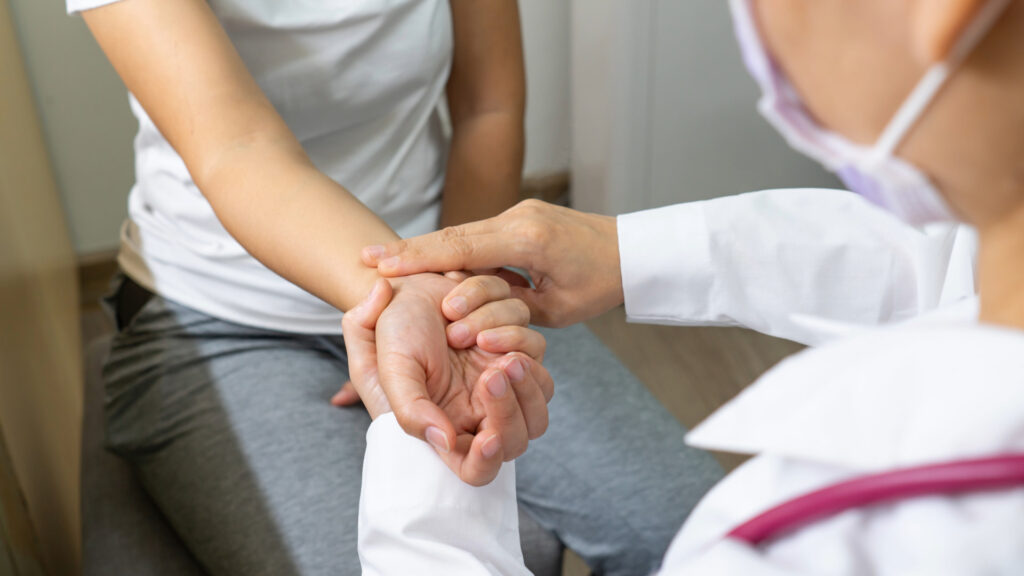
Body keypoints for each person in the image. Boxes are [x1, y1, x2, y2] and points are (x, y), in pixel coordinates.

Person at [348, 0, 1024, 572]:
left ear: (944, 14)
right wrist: (628, 252)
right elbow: (943, 271)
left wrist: (428, 466)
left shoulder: (826, 543)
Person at [72, 0, 723, 574]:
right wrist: (398, 302)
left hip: (447, 286)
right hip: (221, 319)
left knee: (708, 537)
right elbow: (236, 148)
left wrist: (448, 296)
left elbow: (487, 108)